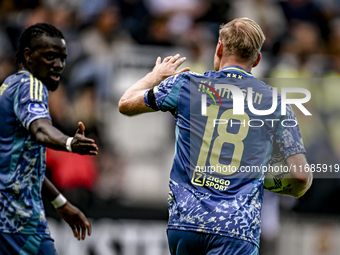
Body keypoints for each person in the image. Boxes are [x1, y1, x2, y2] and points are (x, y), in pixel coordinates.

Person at [119, 17, 313, 255]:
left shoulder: (186, 84)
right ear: (257, 59)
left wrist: (155, 75)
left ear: (219, 48)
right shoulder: (276, 103)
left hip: (186, 224)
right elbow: (301, 177)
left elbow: (126, 103)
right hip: (236, 229)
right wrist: (262, 181)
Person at [0, 23, 99, 255]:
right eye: (50, 57)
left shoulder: (8, 86)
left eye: (62, 58)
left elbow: (24, 166)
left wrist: (61, 204)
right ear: (28, 55)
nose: (59, 65)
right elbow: (41, 129)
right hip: (19, 223)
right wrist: (68, 143)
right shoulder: (31, 86)